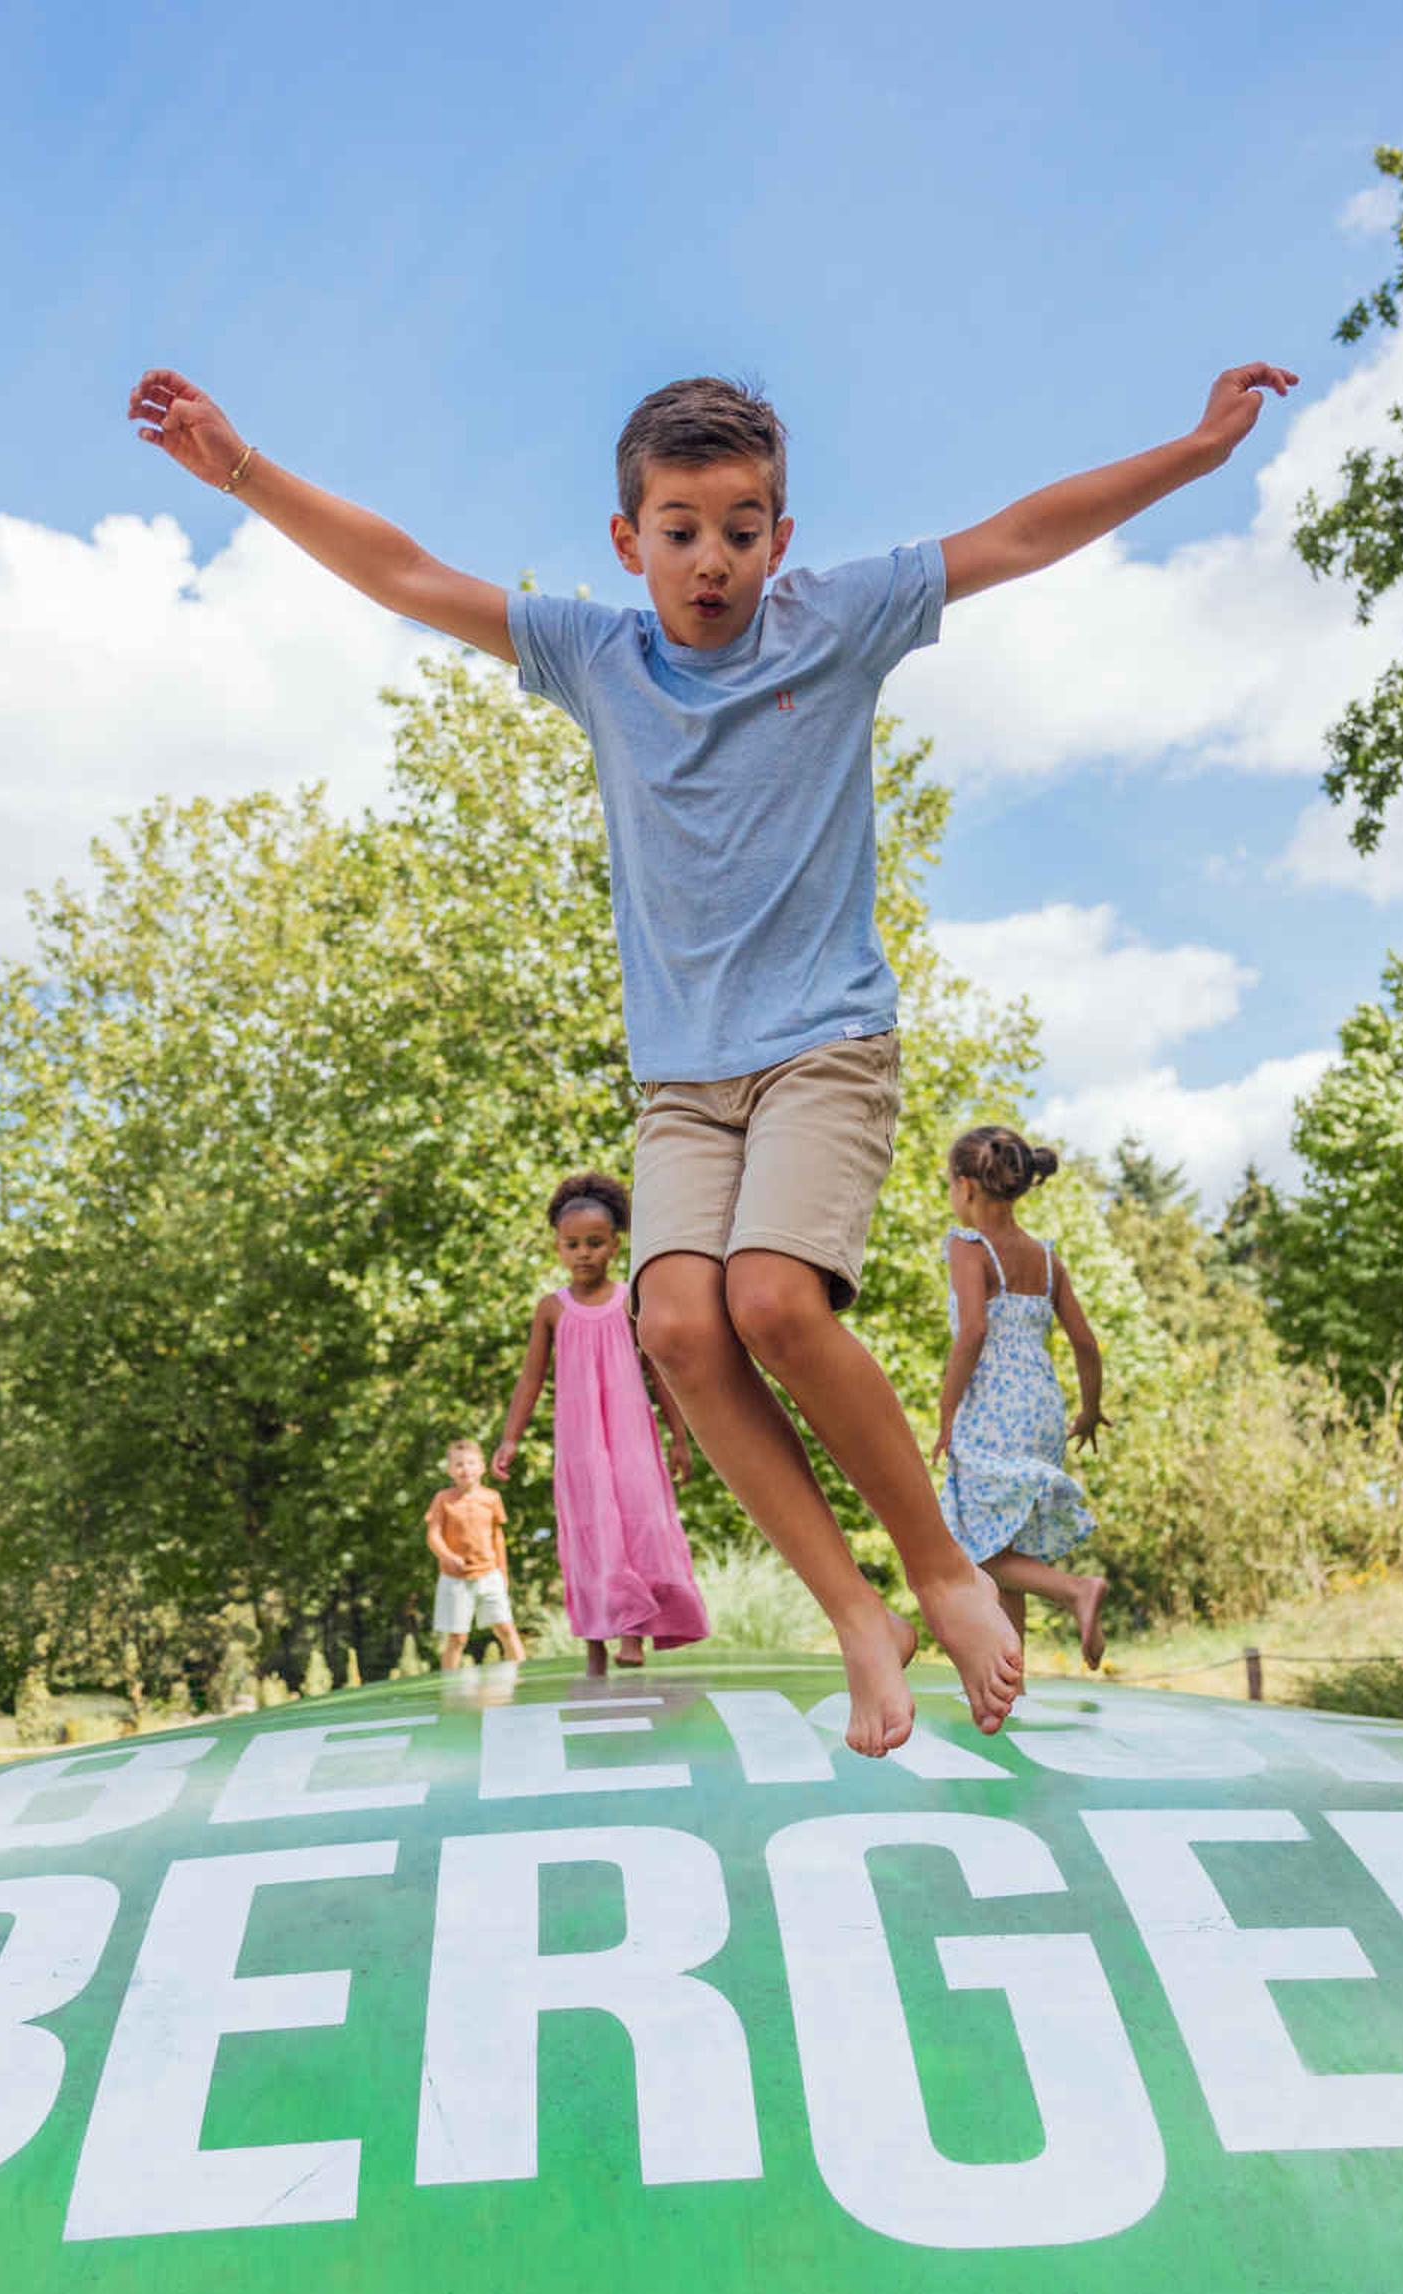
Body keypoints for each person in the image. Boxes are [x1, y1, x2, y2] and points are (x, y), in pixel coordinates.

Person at [131, 356, 1293, 1753]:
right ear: (629, 542)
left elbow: (1018, 533)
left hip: (823, 1046)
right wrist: (245, 472)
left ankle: (940, 1571)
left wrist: (1196, 454)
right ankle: (858, 1615)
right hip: (686, 1080)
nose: (713, 559)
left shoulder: (838, 618)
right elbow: (408, 574)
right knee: (675, 1323)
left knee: (776, 1303)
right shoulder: (592, 655)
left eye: (743, 528)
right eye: (680, 530)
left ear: (781, 539)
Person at [495, 1171, 710, 1676]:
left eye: (595, 1243)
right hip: (581, 1444)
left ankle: (635, 1632)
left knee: (638, 1522)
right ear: (557, 1248)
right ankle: (595, 1642)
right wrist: (509, 1439)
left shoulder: (630, 1302)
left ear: (615, 1245)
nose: (584, 1253)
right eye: (572, 1245)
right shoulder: (551, 1309)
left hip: (633, 1437)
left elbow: (660, 1374)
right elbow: (530, 1381)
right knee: (589, 1532)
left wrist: (680, 1439)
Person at [932, 1126, 1108, 1668]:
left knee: (967, 1545)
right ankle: (1014, 1685)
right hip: (1043, 1410)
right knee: (1007, 1547)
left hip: (992, 1410)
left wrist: (945, 1415)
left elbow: (973, 1332)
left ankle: (1076, 1589)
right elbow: (1084, 1341)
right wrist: (1091, 1410)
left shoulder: (969, 1248)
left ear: (965, 1187)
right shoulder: (1047, 1259)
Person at [424, 1439, 522, 1669]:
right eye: (458, 1465)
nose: (465, 1469)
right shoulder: (443, 1499)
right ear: (450, 1470)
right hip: (455, 1578)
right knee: (458, 1638)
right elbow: (433, 1535)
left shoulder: (491, 1498)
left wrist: (503, 1573)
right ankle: (449, 1686)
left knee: (505, 1628)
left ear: (481, 1467)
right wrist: (447, 1556)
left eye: (470, 1463)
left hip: (489, 1574)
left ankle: (522, 1678)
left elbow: (498, 1538)